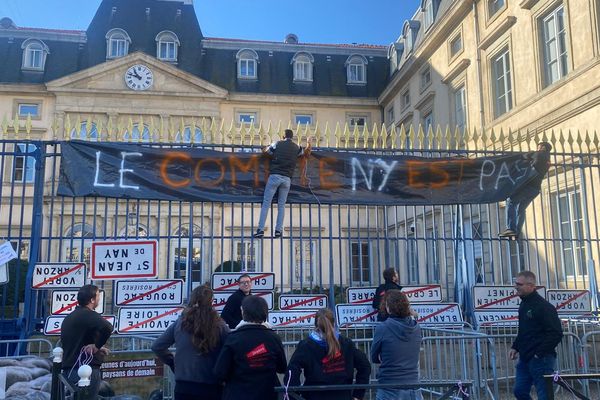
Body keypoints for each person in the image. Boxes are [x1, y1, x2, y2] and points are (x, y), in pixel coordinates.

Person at [151, 285, 229, 400]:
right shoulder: (219, 325)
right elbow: (231, 349)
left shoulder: (180, 323)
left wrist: (173, 363)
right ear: (211, 302)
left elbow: (157, 346)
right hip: (211, 385)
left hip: (184, 386)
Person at [286, 308, 371, 400]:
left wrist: (294, 396)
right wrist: (358, 395)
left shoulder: (306, 346)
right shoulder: (346, 343)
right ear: (334, 324)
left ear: (315, 325)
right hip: (343, 395)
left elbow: (291, 372)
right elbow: (365, 366)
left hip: (314, 396)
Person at [213, 295, 287, 400]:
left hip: (238, 393)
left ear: (243, 312)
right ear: (264, 312)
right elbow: (282, 367)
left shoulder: (234, 338)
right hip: (266, 393)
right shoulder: (273, 338)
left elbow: (220, 372)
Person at [510, 271, 563, 400]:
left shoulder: (544, 307)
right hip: (525, 357)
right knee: (519, 391)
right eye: (515, 283)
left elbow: (556, 333)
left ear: (531, 285)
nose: (516, 287)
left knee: (544, 394)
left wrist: (539, 353)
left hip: (541, 359)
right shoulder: (524, 304)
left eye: (519, 284)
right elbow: (524, 330)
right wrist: (515, 347)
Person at [254, 129, 312, 238]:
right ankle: (278, 231)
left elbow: (266, 152)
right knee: (281, 205)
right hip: (287, 179)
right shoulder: (297, 148)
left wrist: (265, 148)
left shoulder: (277, 144)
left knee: (266, 203)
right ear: (292, 137)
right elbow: (306, 153)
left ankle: (260, 230)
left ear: (283, 136)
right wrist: (309, 143)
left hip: (274, 176)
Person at [60, 284, 113, 400]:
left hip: (69, 369)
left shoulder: (70, 317)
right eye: (98, 296)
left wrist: (97, 346)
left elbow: (78, 340)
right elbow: (108, 327)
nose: (99, 299)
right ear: (92, 300)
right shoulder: (89, 315)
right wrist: (97, 345)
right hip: (86, 370)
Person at [371, 290, 422, 400]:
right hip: (414, 386)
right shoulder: (417, 328)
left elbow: (374, 357)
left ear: (388, 308)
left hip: (390, 386)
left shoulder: (382, 328)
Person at [499, 142, 552, 239]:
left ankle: (511, 229)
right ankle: (517, 232)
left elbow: (525, 156)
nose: (537, 148)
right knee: (521, 208)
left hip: (527, 186)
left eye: (538, 147)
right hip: (535, 189)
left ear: (542, 147)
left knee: (511, 202)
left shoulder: (538, 154)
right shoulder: (548, 159)